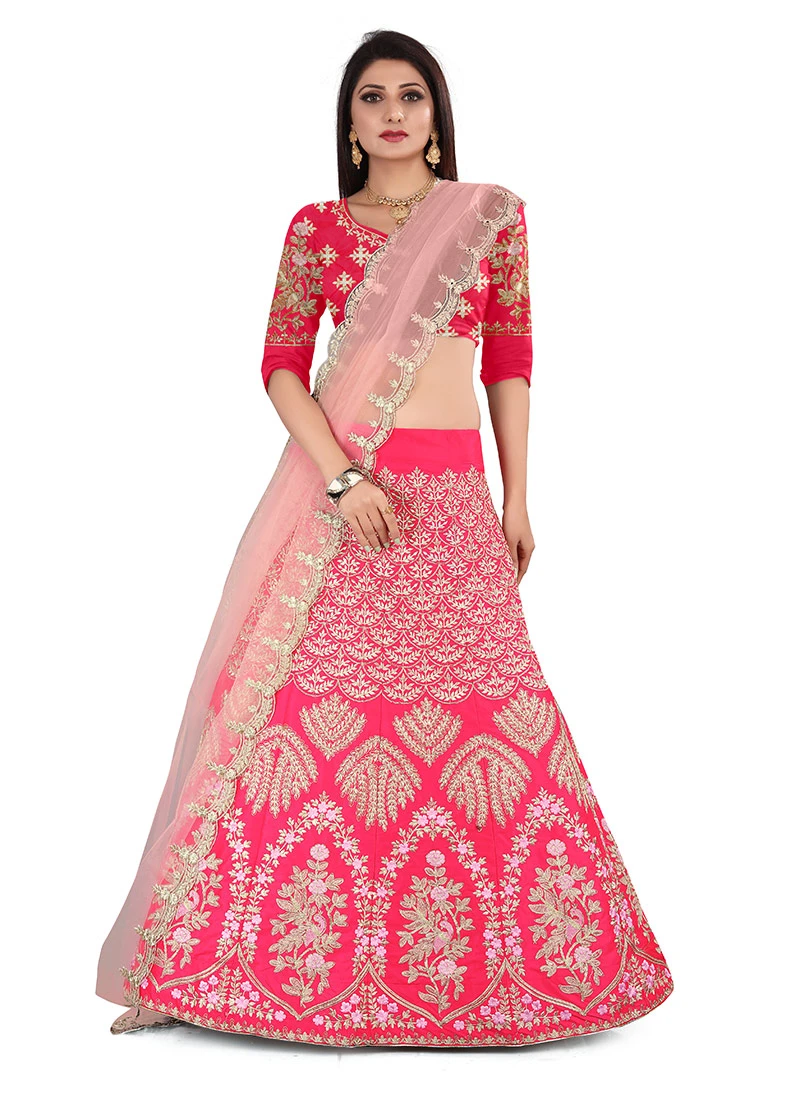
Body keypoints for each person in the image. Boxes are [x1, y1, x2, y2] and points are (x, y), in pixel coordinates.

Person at [98, 30, 673, 1046]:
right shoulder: (317, 228)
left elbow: (509, 360)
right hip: (348, 502)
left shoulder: (489, 218)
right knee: (290, 710)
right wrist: (343, 476)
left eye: (412, 95)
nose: (394, 113)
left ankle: (510, 975)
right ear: (351, 121)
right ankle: (204, 967)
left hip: (453, 503)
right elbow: (280, 365)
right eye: (372, 97)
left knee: (494, 706)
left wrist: (517, 499)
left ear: (437, 114)